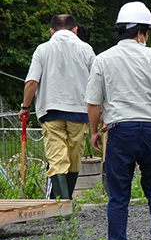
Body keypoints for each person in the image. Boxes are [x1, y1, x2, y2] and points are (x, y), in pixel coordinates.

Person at [85, 1, 151, 240]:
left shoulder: (103, 59)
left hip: (120, 130)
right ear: (141, 32)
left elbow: (94, 101)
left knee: (119, 193)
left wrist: (94, 131)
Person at [19, 14, 95, 199]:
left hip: (51, 111)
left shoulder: (43, 49)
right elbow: (97, 81)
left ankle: (62, 203)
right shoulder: (86, 49)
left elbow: (31, 82)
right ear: (75, 30)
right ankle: (67, 200)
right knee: (74, 157)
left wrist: (25, 107)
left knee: (56, 157)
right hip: (79, 111)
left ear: (51, 31)